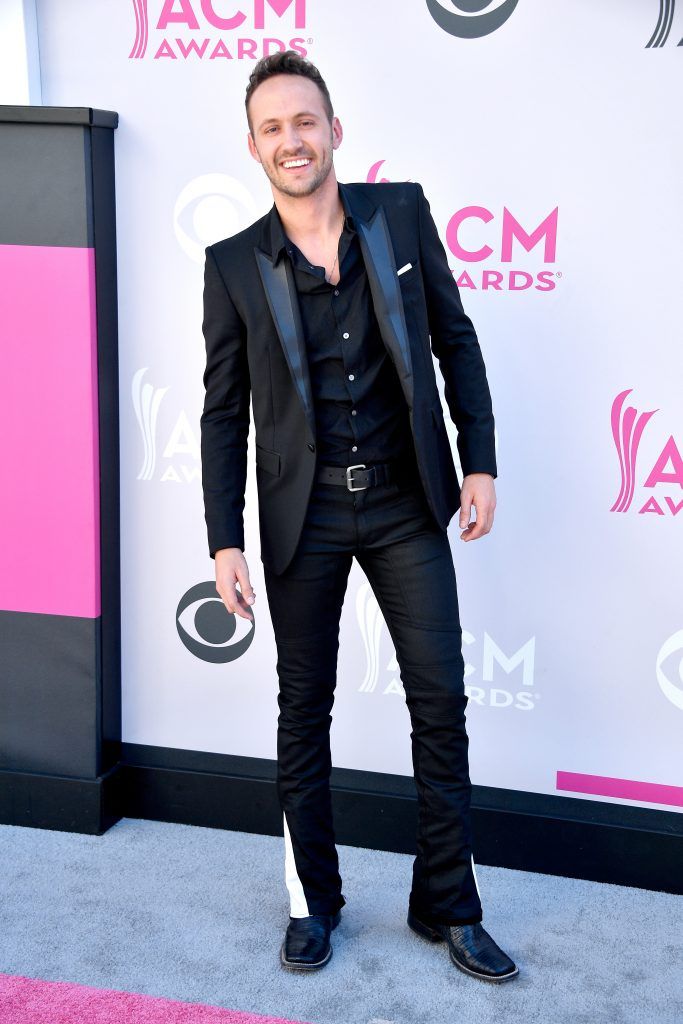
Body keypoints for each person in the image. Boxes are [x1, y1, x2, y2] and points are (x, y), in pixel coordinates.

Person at [200, 50, 518, 983]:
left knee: (441, 703)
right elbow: (221, 414)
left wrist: (482, 460)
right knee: (303, 714)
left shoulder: (401, 214)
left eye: (305, 121)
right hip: (304, 521)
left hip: (406, 504)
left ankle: (448, 907)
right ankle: (315, 905)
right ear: (253, 147)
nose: (291, 140)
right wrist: (224, 538)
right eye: (272, 127)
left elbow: (455, 339)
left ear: (335, 131)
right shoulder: (230, 265)